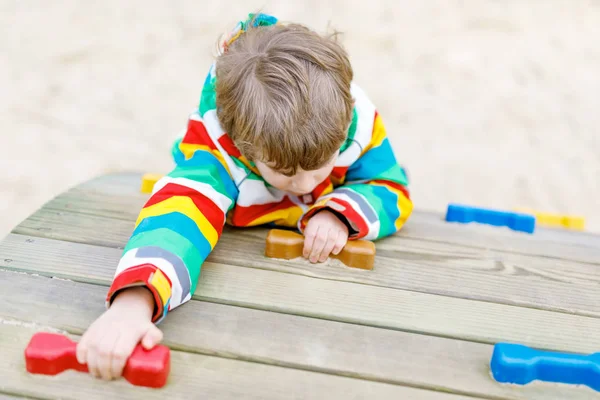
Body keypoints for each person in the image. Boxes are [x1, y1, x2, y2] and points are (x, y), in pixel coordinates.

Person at [76, 12, 413, 380]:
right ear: (243, 146)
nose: (304, 184)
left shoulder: (352, 122)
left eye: (321, 166)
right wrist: (133, 305)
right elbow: (178, 216)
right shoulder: (216, 155)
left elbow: (391, 187)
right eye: (284, 172)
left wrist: (340, 212)